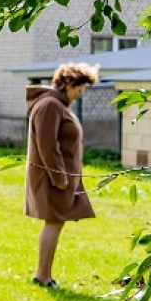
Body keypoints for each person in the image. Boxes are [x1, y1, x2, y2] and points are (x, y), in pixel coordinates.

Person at [24, 62, 99, 289]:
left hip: (61, 178)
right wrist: (59, 178)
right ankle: (41, 276)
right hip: (53, 179)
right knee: (54, 222)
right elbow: (47, 145)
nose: (79, 95)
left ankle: (46, 275)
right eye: (79, 89)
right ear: (67, 83)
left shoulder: (58, 104)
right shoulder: (50, 105)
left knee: (56, 222)